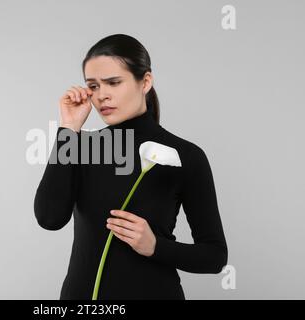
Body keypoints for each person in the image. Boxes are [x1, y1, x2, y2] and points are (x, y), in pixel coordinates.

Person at [33, 34, 228, 300]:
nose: (102, 96)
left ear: (145, 82)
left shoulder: (185, 156)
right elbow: (49, 218)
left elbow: (215, 256)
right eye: (93, 86)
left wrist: (156, 246)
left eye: (113, 82)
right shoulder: (83, 147)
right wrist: (68, 130)